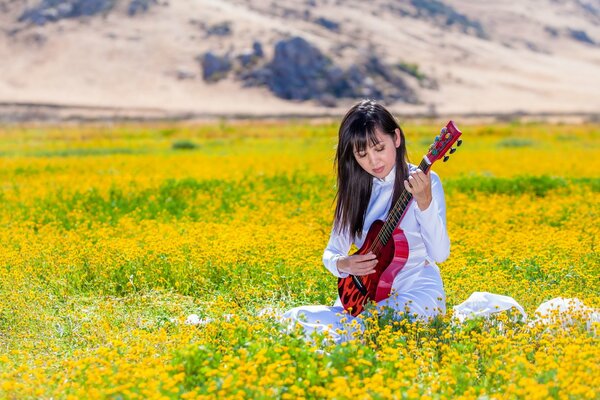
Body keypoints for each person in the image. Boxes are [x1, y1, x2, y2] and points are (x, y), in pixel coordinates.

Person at [282, 99, 450, 343]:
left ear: (397, 138)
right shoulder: (355, 190)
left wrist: (425, 204)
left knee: (371, 325)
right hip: (367, 296)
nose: (373, 161)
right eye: (362, 154)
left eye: (379, 148)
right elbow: (331, 252)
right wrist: (343, 264)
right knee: (292, 317)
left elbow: (440, 254)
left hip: (416, 292)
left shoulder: (426, 181)